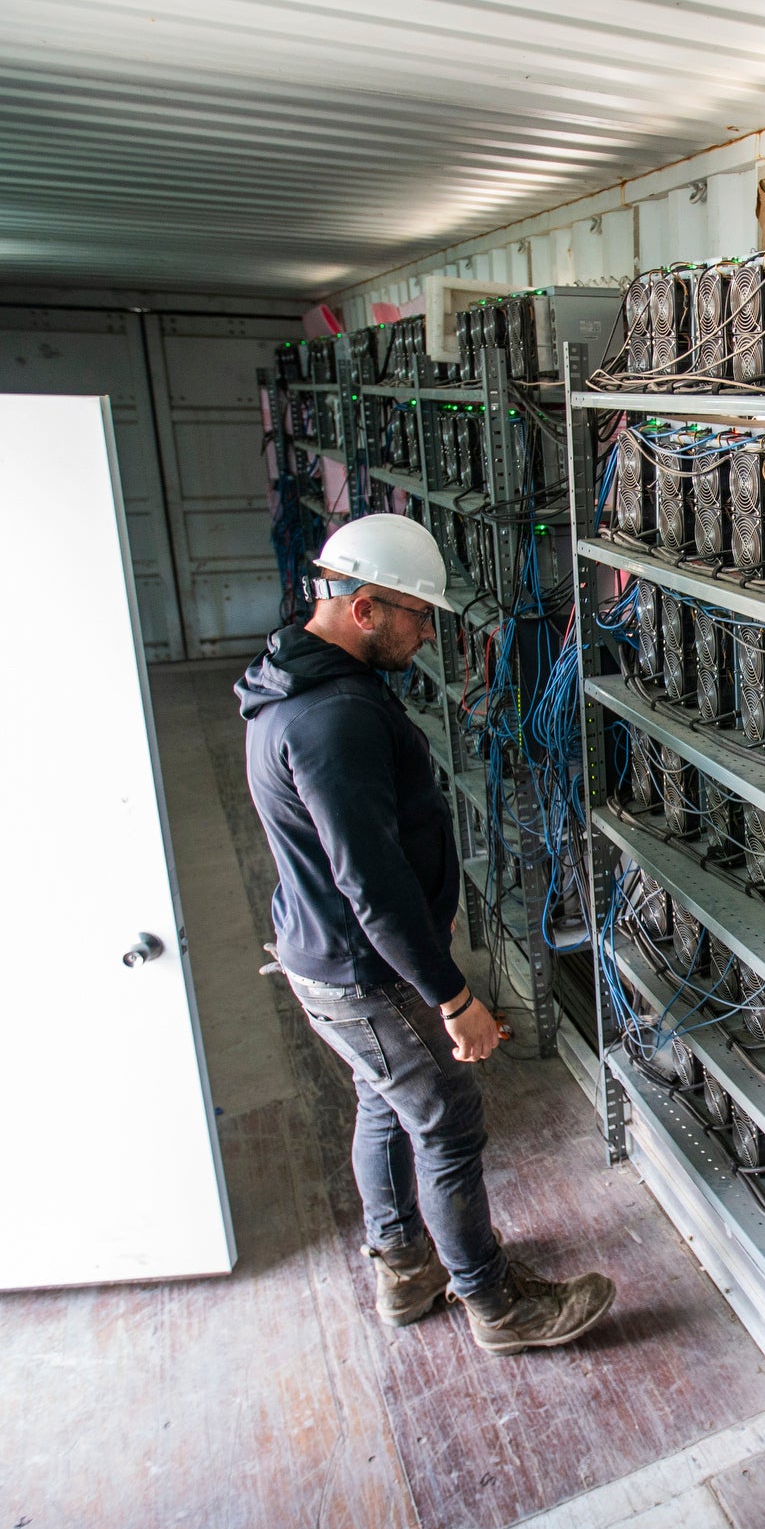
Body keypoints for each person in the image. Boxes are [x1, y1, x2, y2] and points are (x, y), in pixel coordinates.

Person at [237, 513, 615, 1352]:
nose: (426, 632)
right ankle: (496, 1305)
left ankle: (406, 1273)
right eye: (416, 614)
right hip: (360, 972)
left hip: (328, 956)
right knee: (446, 1118)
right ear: (364, 608)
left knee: (384, 1103)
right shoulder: (331, 717)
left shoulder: (293, 684)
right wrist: (452, 997)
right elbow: (369, 885)